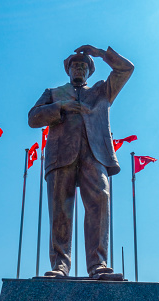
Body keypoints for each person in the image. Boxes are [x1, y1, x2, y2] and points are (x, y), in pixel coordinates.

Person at [28, 45, 134, 279]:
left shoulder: (101, 91)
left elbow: (126, 69)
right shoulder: (54, 92)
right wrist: (60, 107)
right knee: (60, 210)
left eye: (83, 66)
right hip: (60, 155)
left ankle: (98, 265)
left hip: (94, 154)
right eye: (75, 65)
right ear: (68, 70)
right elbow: (33, 118)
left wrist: (100, 53)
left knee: (100, 200)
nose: (79, 68)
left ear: (89, 71)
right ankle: (60, 265)